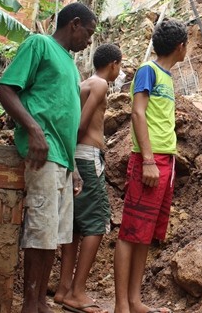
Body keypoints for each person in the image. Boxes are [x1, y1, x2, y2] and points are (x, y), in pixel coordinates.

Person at [0, 2, 96, 313]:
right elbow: (5, 89)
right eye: (89, 33)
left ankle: (40, 304)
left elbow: (64, 117)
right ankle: (30, 304)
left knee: (53, 235)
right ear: (75, 24)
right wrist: (33, 129)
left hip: (63, 162)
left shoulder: (70, 64)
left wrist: (74, 167)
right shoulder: (40, 44)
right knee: (40, 230)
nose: (89, 41)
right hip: (44, 154)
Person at [113, 19, 188, 313]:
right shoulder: (149, 71)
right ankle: (121, 305)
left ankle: (134, 301)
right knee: (130, 232)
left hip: (164, 161)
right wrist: (146, 160)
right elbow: (138, 113)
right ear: (181, 46)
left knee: (144, 234)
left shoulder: (167, 77)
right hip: (150, 160)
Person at [54, 43, 123, 313]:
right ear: (113, 64)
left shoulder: (83, 82)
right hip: (88, 156)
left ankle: (62, 289)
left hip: (75, 156)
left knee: (75, 225)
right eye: (121, 65)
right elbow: (81, 124)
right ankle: (78, 291)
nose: (120, 70)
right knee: (97, 223)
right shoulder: (100, 85)